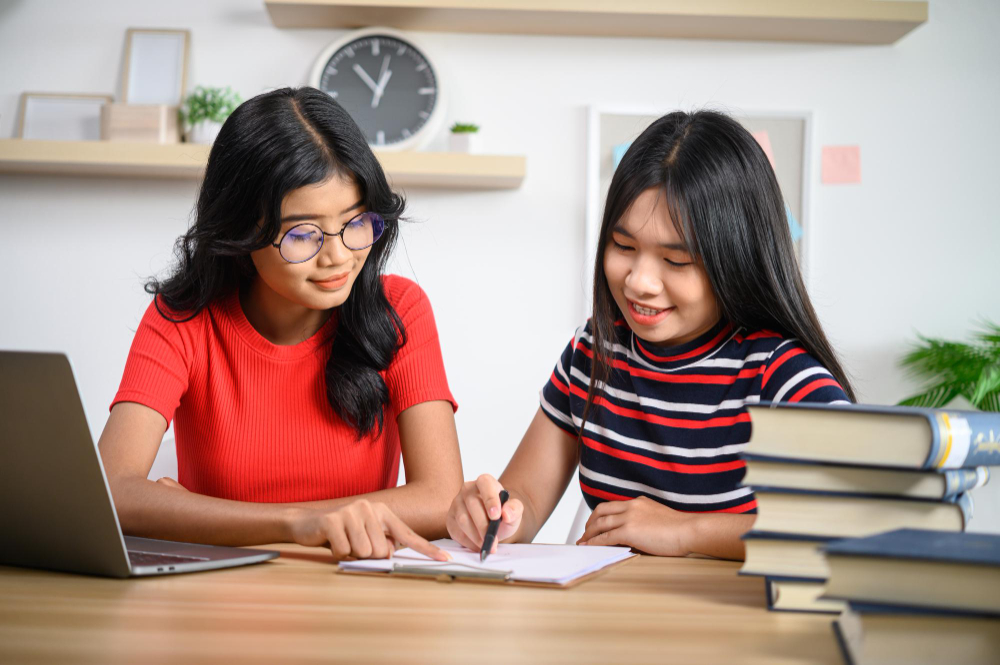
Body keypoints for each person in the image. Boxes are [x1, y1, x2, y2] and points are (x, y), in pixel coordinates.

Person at [447, 110, 854, 561]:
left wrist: (685, 532)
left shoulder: (780, 375)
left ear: (736, 259)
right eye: (624, 246)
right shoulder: (593, 353)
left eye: (676, 260)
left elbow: (855, 519)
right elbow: (525, 495)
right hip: (612, 619)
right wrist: (492, 515)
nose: (640, 281)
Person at [98, 87, 461, 562]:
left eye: (356, 223)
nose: (338, 256)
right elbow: (111, 488)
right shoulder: (183, 318)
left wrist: (199, 513)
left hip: (355, 599)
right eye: (303, 234)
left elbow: (439, 498)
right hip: (217, 598)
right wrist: (297, 523)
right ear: (241, 231)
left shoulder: (399, 309)